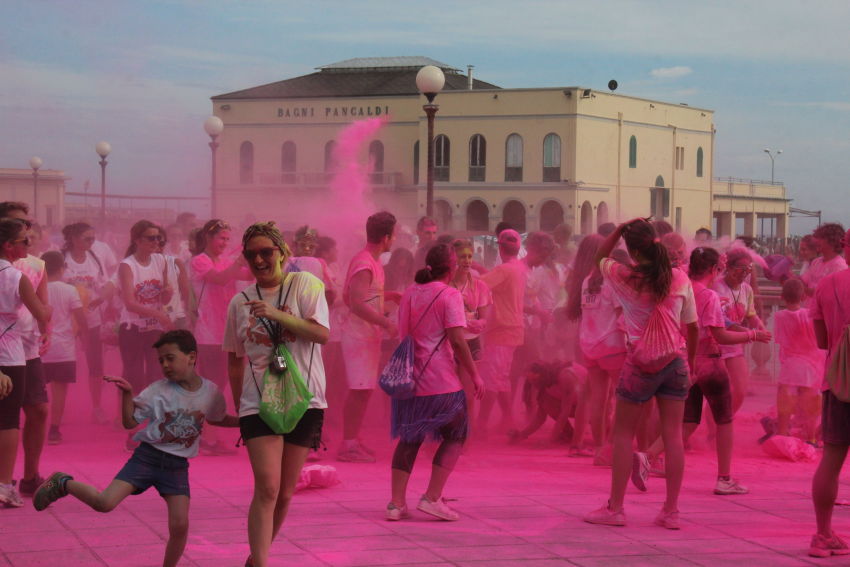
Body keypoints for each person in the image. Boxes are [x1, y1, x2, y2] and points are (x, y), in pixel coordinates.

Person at [33, 330, 238, 567]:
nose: (165, 365)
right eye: (161, 360)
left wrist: (246, 422)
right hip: (146, 459)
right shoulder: (157, 391)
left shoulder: (211, 392)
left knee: (180, 525)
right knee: (104, 503)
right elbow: (130, 423)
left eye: (170, 358)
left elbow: (217, 418)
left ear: (191, 357)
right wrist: (128, 395)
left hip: (177, 467)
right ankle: (62, 483)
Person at [223, 222, 329, 567]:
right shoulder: (239, 302)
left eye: (266, 252)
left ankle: (255, 559)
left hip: (305, 399)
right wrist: (240, 408)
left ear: (282, 253)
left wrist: (275, 314)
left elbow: (321, 334)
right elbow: (234, 359)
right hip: (258, 403)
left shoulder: (306, 284)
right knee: (267, 488)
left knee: (284, 492)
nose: (259, 260)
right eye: (251, 254)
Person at [584, 218, 698, 530]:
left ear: (633, 250)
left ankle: (616, 508)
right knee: (673, 435)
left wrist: (618, 230)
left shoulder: (625, 277)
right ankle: (671, 511)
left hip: (639, 364)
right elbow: (693, 327)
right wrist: (692, 362)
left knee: (623, 433)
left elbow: (599, 257)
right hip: (675, 362)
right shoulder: (679, 278)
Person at [634, 246, 770, 496]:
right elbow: (719, 334)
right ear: (713, 269)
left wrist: (743, 329)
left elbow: (718, 322)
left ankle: (648, 455)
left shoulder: (680, 288)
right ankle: (724, 478)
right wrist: (752, 335)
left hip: (685, 361)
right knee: (725, 420)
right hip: (710, 362)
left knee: (688, 422)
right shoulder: (708, 295)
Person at [387, 244, 484, 521]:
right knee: (457, 433)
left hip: (410, 380)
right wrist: (475, 375)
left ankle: (395, 504)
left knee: (409, 438)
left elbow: (404, 332)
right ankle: (432, 497)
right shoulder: (450, 295)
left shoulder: (410, 292)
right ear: (450, 268)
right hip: (441, 380)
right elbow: (457, 340)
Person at [338, 212, 399, 463]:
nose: (394, 240)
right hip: (358, 336)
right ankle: (348, 444)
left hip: (366, 335)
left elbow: (363, 297)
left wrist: (390, 296)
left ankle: (353, 439)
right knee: (359, 390)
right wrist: (386, 322)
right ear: (386, 238)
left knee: (363, 390)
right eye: (394, 235)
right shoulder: (364, 262)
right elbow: (356, 302)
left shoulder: (371, 262)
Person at [4, 204, 53, 499]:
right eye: (18, 224)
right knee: (6, 417)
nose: (25, 230)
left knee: (38, 409)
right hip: (4, 347)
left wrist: (46, 328)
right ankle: (4, 479)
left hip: (27, 348)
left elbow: (44, 305)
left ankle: (30, 476)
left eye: (27, 224)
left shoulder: (36, 265)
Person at [566, 234, 627, 461]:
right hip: (612, 346)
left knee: (598, 400)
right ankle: (611, 446)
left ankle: (600, 449)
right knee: (623, 398)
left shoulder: (586, 281)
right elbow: (621, 317)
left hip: (590, 347)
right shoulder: (613, 281)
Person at [809, 227, 850, 558]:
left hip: (839, 383)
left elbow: (822, 341)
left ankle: (823, 534)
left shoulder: (827, 284)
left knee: (832, 459)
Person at [189, 219, 245, 455]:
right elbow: (220, 278)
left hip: (226, 332)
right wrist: (240, 261)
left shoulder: (226, 261)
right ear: (208, 238)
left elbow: (249, 275)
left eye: (227, 239)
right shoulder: (199, 261)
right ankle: (206, 438)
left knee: (219, 385)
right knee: (213, 385)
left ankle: (208, 436)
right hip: (208, 332)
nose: (224, 243)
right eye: (221, 238)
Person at [61, 222, 115, 424]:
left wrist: (104, 301)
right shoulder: (62, 259)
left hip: (91, 319)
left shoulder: (95, 259)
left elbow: (104, 285)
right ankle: (60, 407)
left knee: (95, 364)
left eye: (93, 238)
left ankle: (97, 407)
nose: (91, 242)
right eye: (87, 238)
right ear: (74, 239)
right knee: (63, 363)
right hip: (66, 320)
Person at [118, 220, 172, 413]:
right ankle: (126, 414)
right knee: (133, 375)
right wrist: (158, 314)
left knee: (156, 373)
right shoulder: (127, 265)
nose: (156, 242)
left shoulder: (160, 261)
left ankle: (150, 413)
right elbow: (129, 303)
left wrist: (168, 293)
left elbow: (164, 297)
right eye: (151, 238)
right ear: (137, 240)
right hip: (132, 327)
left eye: (158, 238)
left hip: (154, 328)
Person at [477, 229, 528, 433]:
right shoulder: (518, 268)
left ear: (500, 248)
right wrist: (479, 268)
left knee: (491, 378)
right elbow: (495, 278)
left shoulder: (504, 270)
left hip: (501, 330)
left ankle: (481, 425)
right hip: (513, 329)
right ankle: (508, 420)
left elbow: (478, 286)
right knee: (501, 378)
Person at [40, 251, 88, 445]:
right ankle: (54, 429)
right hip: (64, 349)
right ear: (61, 269)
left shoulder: (36, 290)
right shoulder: (70, 290)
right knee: (59, 392)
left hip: (40, 348)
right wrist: (84, 337)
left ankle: (36, 424)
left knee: (37, 392)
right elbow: (81, 318)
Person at [712, 248, 767, 415]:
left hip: (735, 345)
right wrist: (747, 332)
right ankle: (714, 424)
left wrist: (759, 324)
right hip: (715, 346)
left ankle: (724, 418)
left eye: (748, 269)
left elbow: (750, 313)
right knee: (718, 392)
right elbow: (721, 319)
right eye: (740, 269)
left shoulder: (747, 290)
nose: (744, 274)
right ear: (728, 267)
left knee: (740, 391)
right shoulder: (716, 287)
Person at [774, 278, 824, 445]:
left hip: (790, 366)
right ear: (803, 297)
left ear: (782, 296)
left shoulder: (779, 316)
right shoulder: (809, 315)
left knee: (785, 404)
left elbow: (780, 340)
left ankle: (782, 435)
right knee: (811, 405)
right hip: (810, 366)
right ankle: (811, 437)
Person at [450, 239, 492, 438]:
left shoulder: (480, 286)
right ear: (453, 258)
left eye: (469, 256)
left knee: (468, 391)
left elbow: (484, 318)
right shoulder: (445, 285)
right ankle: (446, 434)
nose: (466, 261)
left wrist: (480, 323)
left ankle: (465, 435)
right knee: (448, 390)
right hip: (450, 341)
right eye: (462, 257)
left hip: (472, 341)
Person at [507, 361, 586, 446]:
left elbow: (565, 412)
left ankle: (592, 434)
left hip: (592, 410)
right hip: (579, 407)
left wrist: (551, 440)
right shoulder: (545, 384)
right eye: (530, 381)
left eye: (534, 380)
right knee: (547, 403)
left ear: (541, 374)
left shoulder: (565, 377)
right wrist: (522, 435)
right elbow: (540, 417)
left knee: (557, 406)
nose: (533, 384)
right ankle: (569, 434)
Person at [803, 223, 847, 302]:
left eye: (821, 238)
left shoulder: (839, 266)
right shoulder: (816, 262)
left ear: (832, 241)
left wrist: (803, 289)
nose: (816, 241)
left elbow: (828, 295)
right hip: (809, 308)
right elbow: (804, 281)